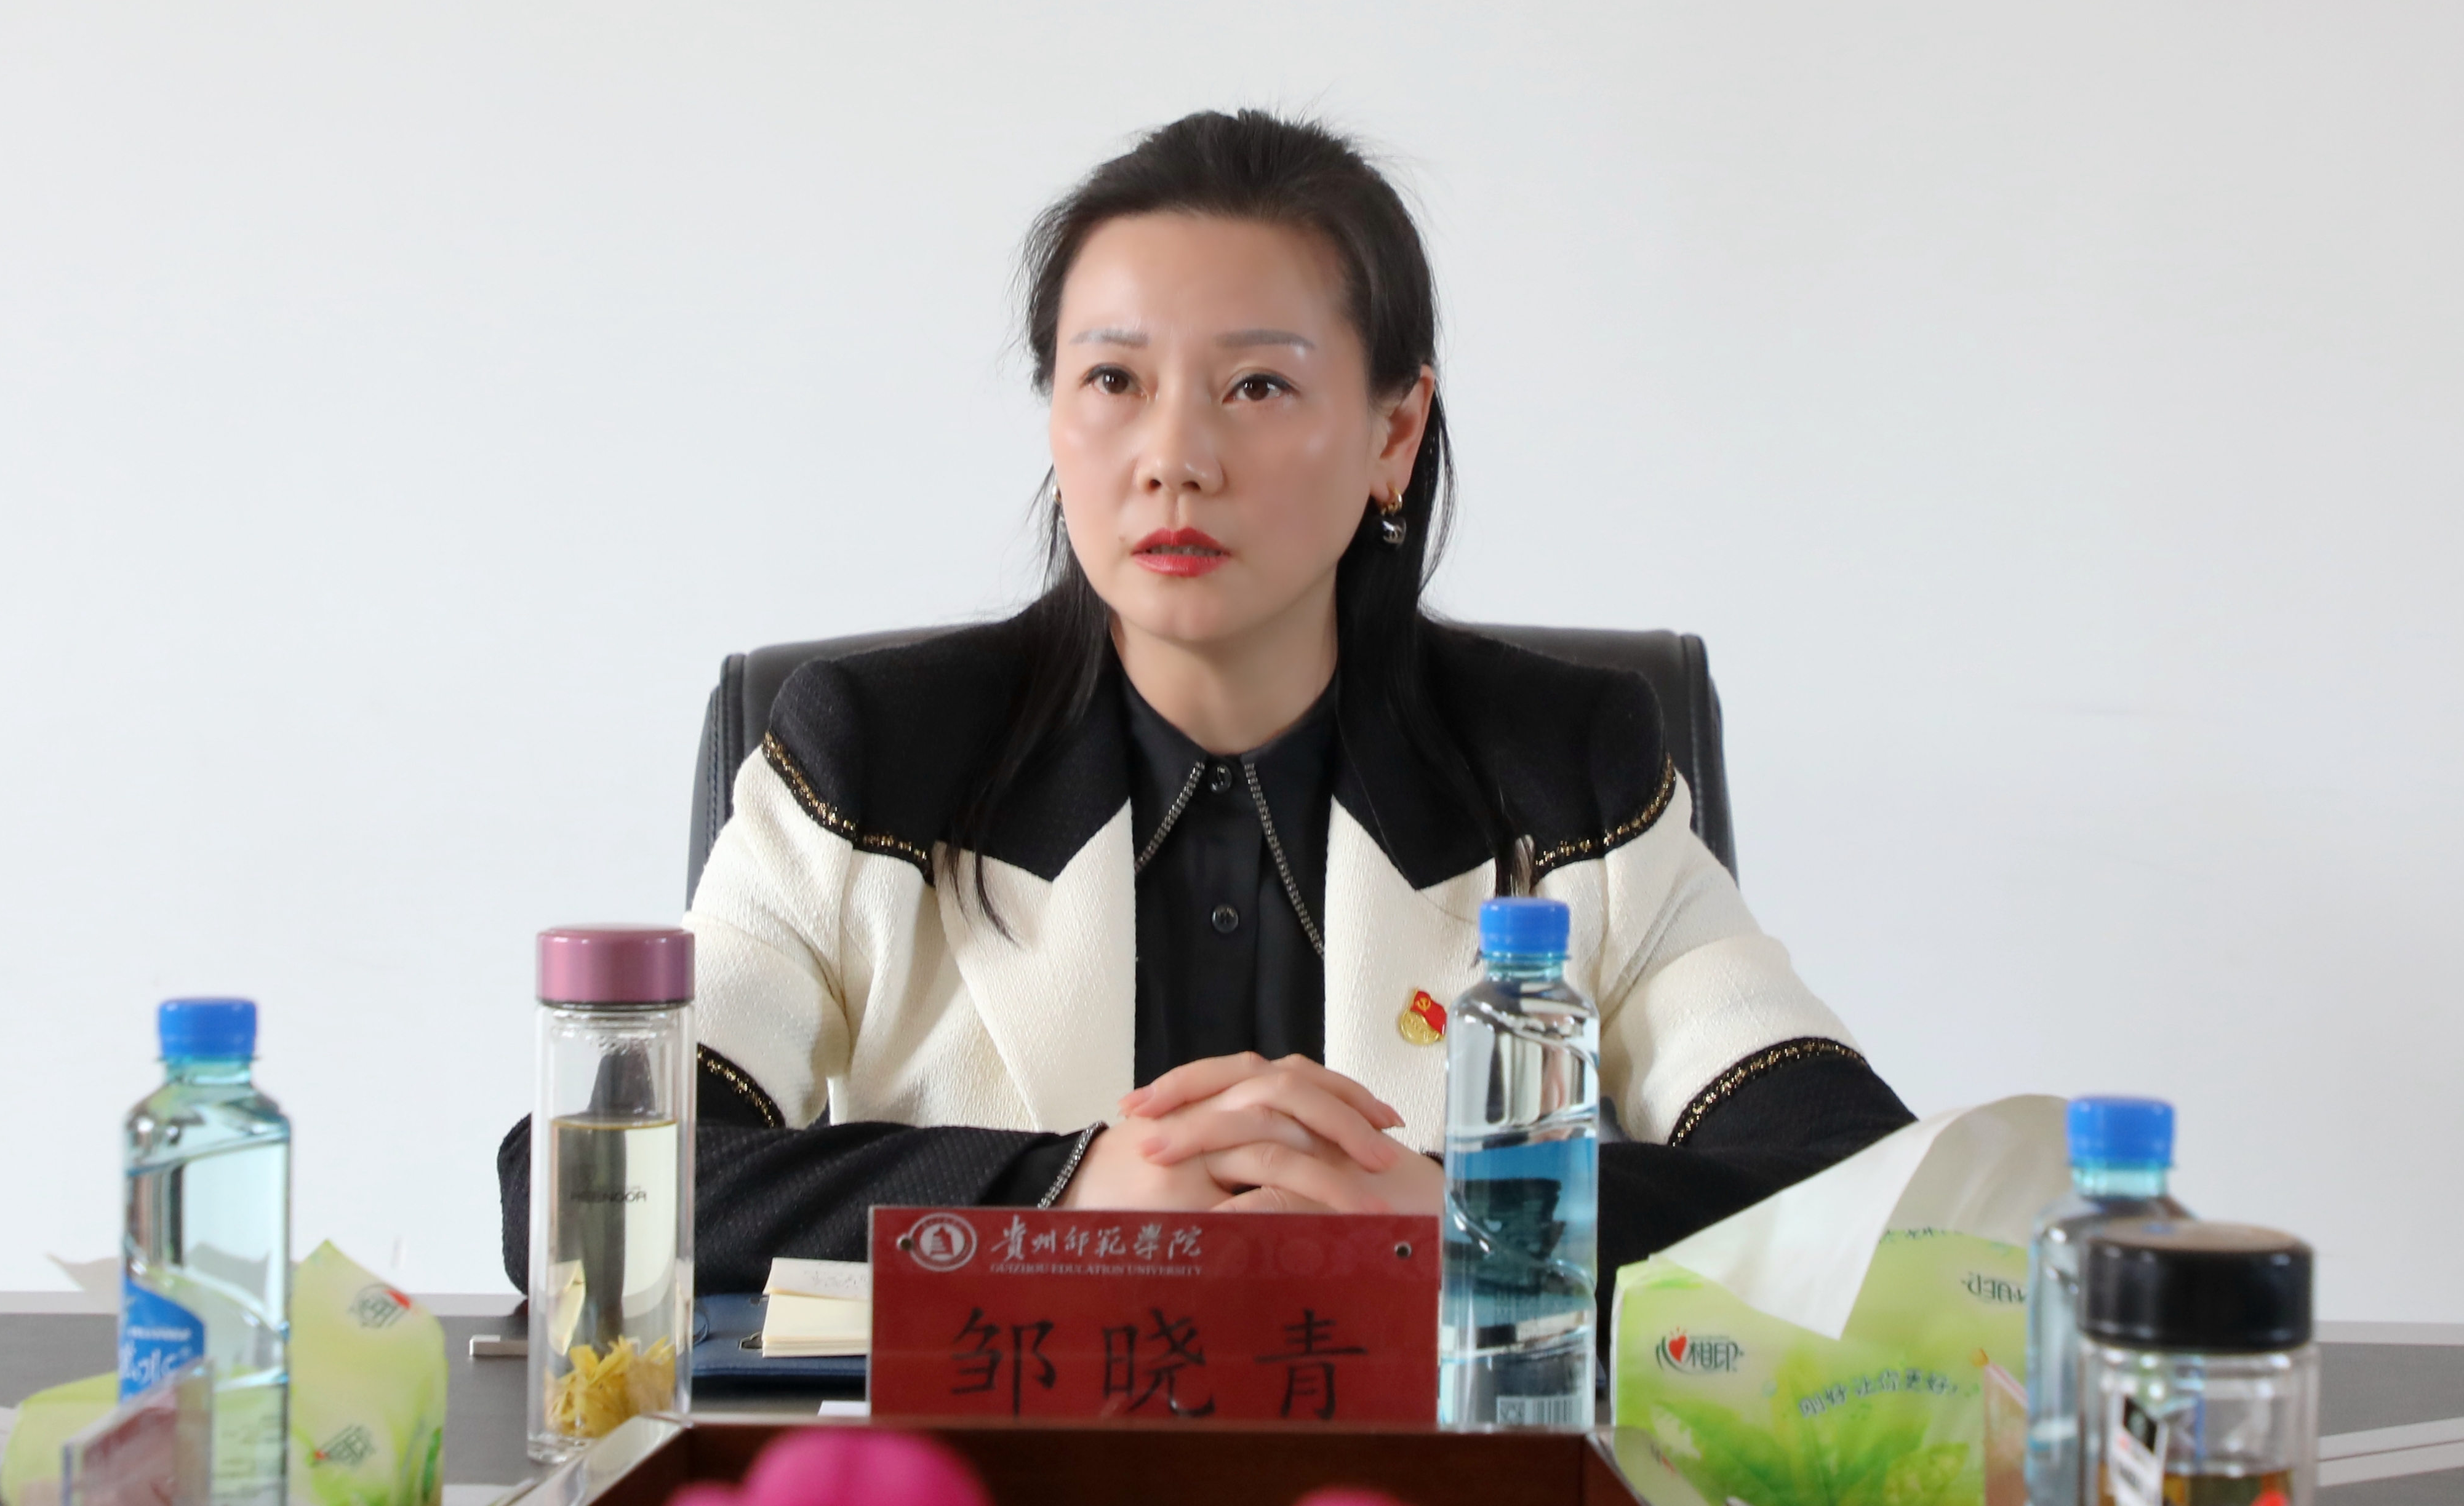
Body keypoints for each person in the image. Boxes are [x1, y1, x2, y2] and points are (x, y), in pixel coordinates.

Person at [498, 111, 1912, 1320]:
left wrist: (1466, 1220)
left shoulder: (1563, 772)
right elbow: (578, 1187)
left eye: (1255, 387)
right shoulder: (872, 758)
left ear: (1393, 433)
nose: (1173, 457)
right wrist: (1071, 1194)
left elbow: (1875, 1197)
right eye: (1113, 381)